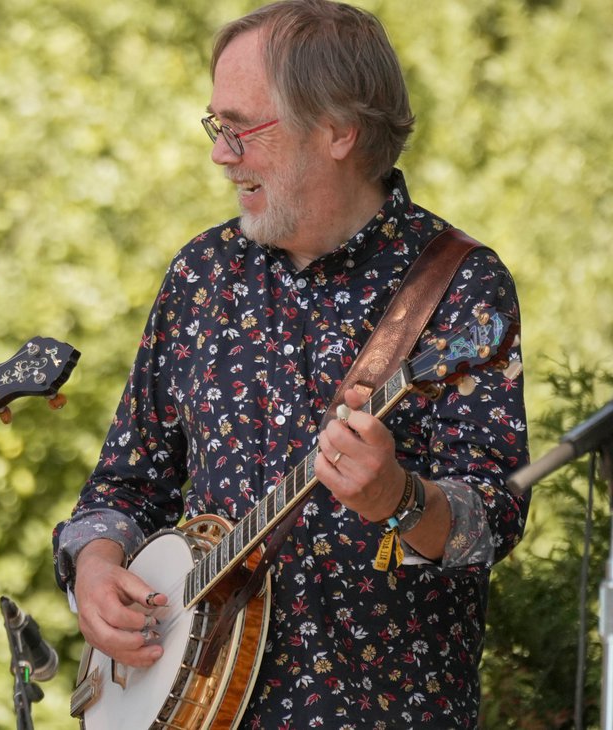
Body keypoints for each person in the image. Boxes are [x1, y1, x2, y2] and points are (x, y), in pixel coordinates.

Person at [53, 1, 529, 727]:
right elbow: (123, 485)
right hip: (200, 709)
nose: (221, 153)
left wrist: (400, 499)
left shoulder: (460, 286)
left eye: (242, 128)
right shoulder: (202, 274)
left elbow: (496, 518)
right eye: (218, 127)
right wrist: (95, 567)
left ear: (339, 129)